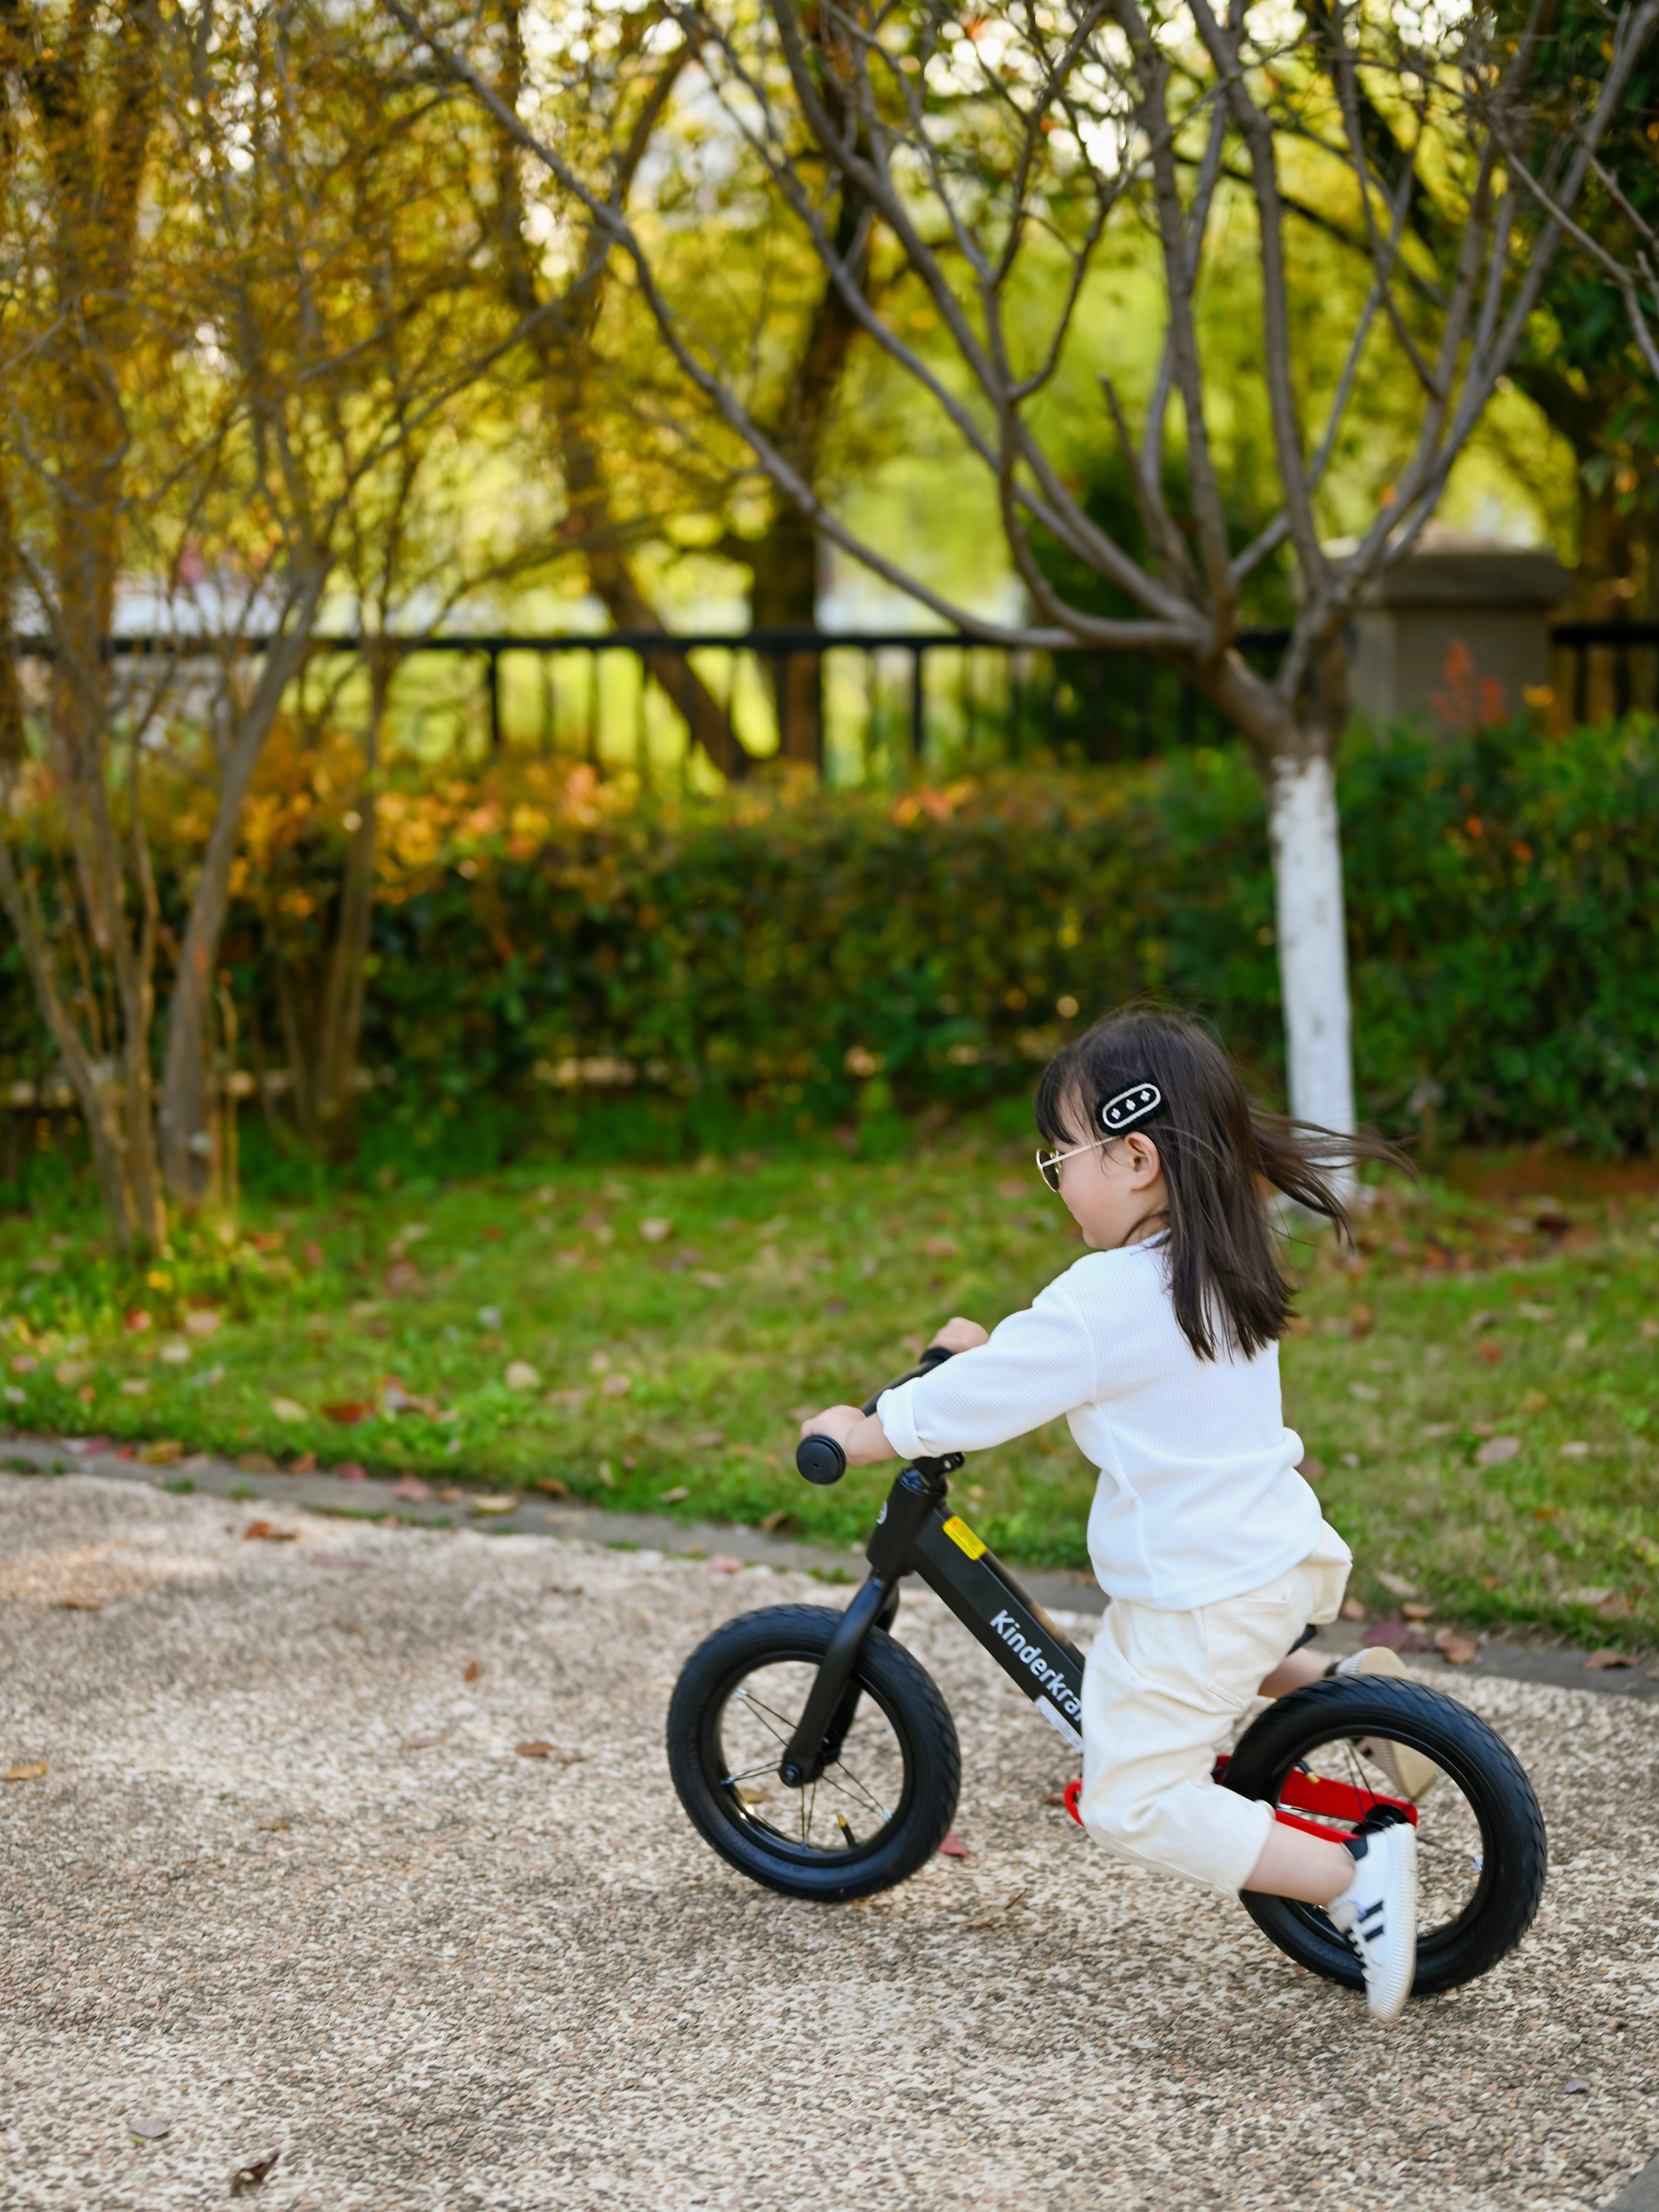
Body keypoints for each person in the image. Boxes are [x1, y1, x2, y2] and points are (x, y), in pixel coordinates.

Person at [800, 1007, 1425, 2024]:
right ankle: (1352, 1694)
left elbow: (1012, 1385)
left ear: (1134, 1157)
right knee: (1192, 1652)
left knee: (1131, 1800)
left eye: (1062, 1158)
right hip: (1275, 1550)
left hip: (1204, 1587)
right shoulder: (1219, 1256)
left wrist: (864, 1432)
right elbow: (1088, 1360)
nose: (1058, 1181)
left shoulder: (1106, 1299)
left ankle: (1352, 1875)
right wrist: (994, 1345)